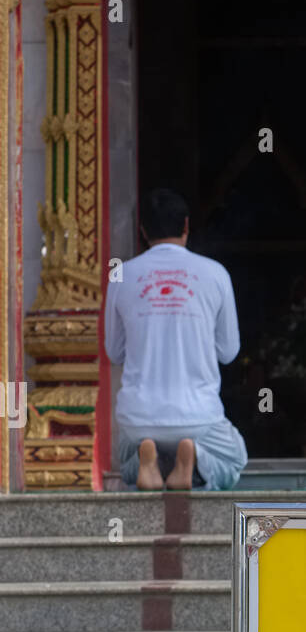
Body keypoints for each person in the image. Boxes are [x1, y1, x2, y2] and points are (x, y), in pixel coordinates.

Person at [104, 188, 248, 491]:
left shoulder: (120, 275)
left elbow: (114, 352)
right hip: (198, 416)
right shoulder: (215, 273)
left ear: (142, 231)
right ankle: (193, 458)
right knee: (235, 458)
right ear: (185, 225)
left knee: (125, 461)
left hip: (137, 416)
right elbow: (228, 352)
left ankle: (148, 463)